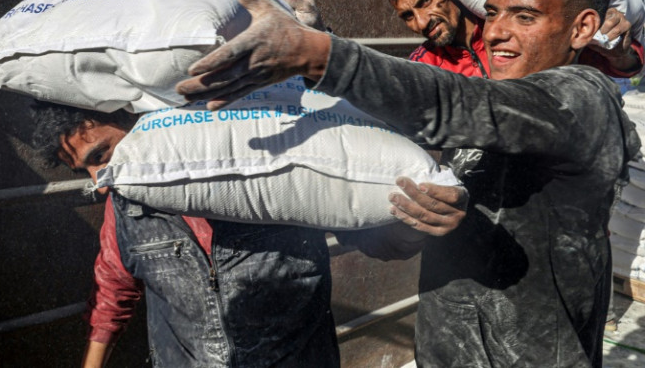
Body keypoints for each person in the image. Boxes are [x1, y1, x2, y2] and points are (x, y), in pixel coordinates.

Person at [175, 0, 641, 367]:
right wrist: (429, 218)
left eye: (524, 17)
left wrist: (321, 55)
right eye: (493, 13)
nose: (496, 32)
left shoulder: (581, 96)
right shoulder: (483, 90)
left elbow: (462, 103)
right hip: (447, 347)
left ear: (582, 28)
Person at [30, 102, 466, 368]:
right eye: (84, 171)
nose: (100, 179)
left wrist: (419, 224)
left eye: (101, 154)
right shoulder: (123, 207)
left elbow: (380, 242)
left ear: (138, 120)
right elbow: (113, 292)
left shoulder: (275, 176)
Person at [383, 0, 644, 79]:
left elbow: (626, 67)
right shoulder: (426, 62)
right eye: (407, 16)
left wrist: (620, 53)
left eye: (426, 1)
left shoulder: (522, 30)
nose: (421, 22)